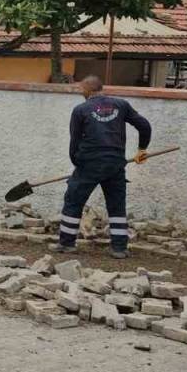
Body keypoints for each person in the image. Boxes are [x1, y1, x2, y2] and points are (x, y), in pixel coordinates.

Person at [52, 75, 151, 259]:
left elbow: (74, 142)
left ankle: (66, 244)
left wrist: (77, 166)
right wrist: (142, 150)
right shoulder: (121, 105)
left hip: (89, 163)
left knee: (73, 200)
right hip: (115, 163)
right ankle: (119, 248)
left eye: (81, 89)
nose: (81, 92)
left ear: (87, 89)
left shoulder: (80, 110)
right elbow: (144, 125)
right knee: (116, 206)